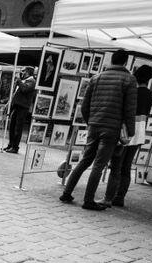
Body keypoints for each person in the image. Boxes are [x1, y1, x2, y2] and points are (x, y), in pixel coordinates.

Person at [60, 49, 137, 210]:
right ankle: (88, 200)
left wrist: (91, 122)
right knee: (99, 165)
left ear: (111, 60)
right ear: (126, 62)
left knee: (85, 160)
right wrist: (130, 131)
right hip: (112, 128)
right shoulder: (129, 80)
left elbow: (84, 106)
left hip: (94, 125)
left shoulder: (97, 77)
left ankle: (67, 192)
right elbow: (130, 110)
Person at [101, 65, 152, 208]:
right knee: (127, 165)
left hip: (126, 131)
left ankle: (110, 196)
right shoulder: (149, 94)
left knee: (117, 164)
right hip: (140, 133)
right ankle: (120, 197)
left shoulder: (133, 92)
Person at [4, 66, 36, 153]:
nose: (22, 72)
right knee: (12, 126)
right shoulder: (24, 81)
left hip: (23, 107)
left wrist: (19, 81)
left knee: (18, 128)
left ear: (28, 72)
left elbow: (24, 89)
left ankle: (15, 147)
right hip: (17, 106)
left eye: (23, 71)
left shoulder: (32, 81)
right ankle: (10, 145)